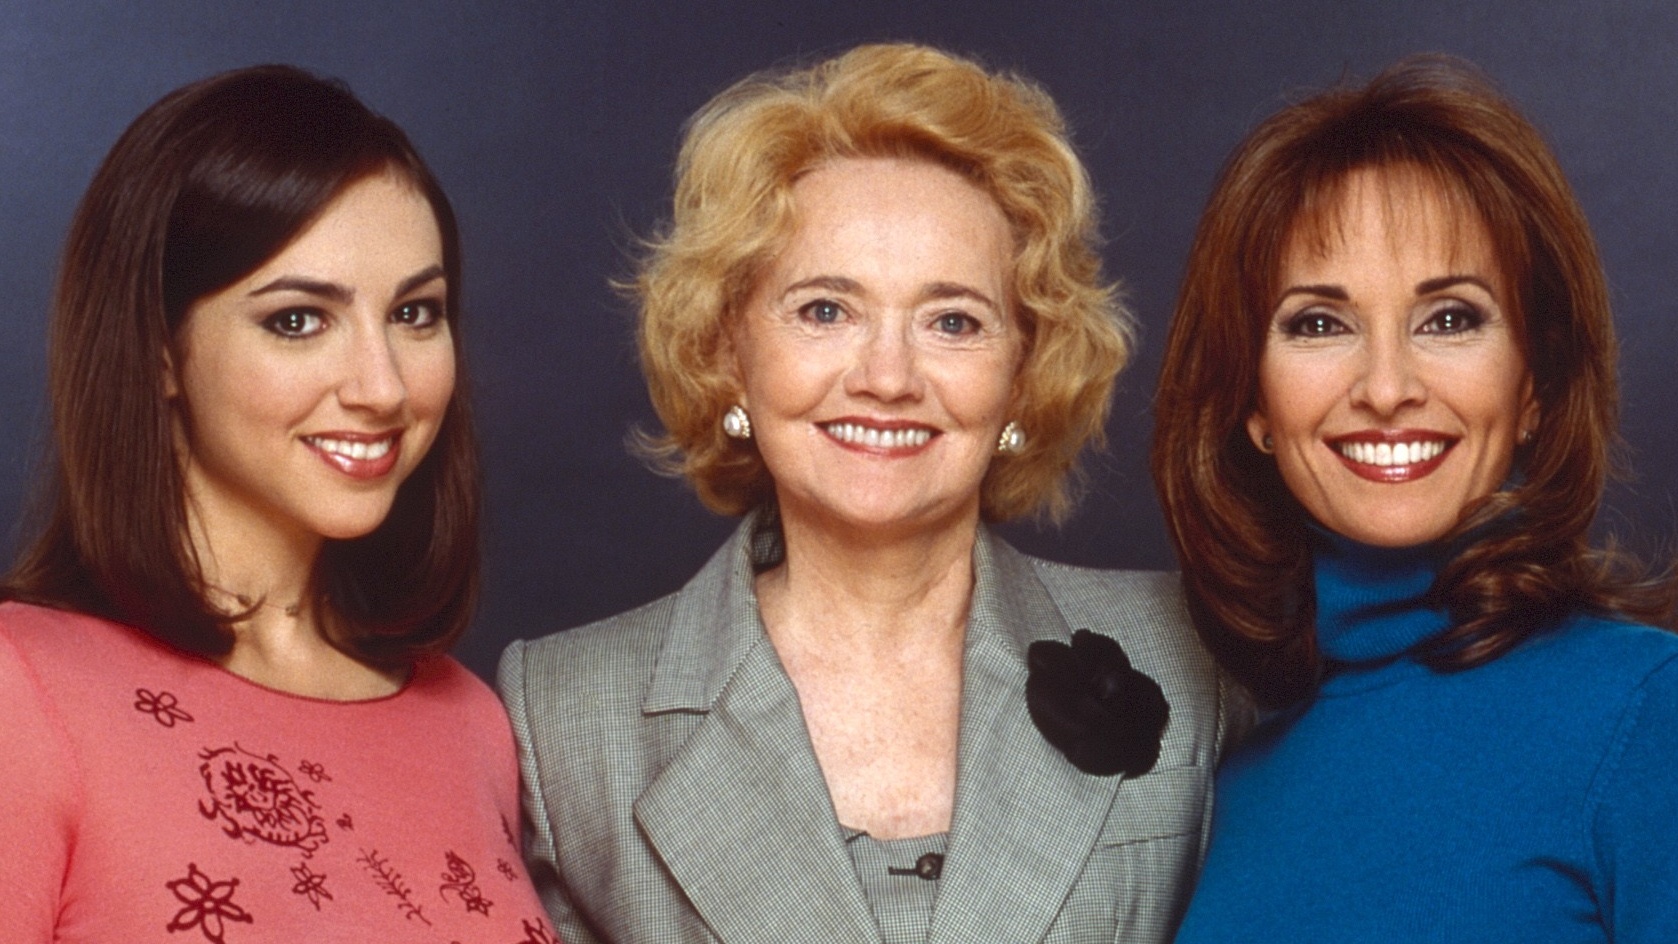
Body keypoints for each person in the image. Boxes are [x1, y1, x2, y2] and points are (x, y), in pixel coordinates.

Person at [499, 43, 1245, 944]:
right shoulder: (567, 714)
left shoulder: (1190, 652)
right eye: (824, 310)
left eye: (953, 321)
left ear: (1025, 371)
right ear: (729, 352)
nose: (888, 376)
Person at [0, 66, 555, 943]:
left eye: (415, 313)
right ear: (157, 350)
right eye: (298, 320)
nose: (382, 386)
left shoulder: (470, 722)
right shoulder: (20, 691)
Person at [1154, 56, 1678, 941]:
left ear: (1536, 384)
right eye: (1320, 324)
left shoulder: (1647, 717)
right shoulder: (1231, 768)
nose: (1387, 386)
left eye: (1450, 319)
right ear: (1254, 403)